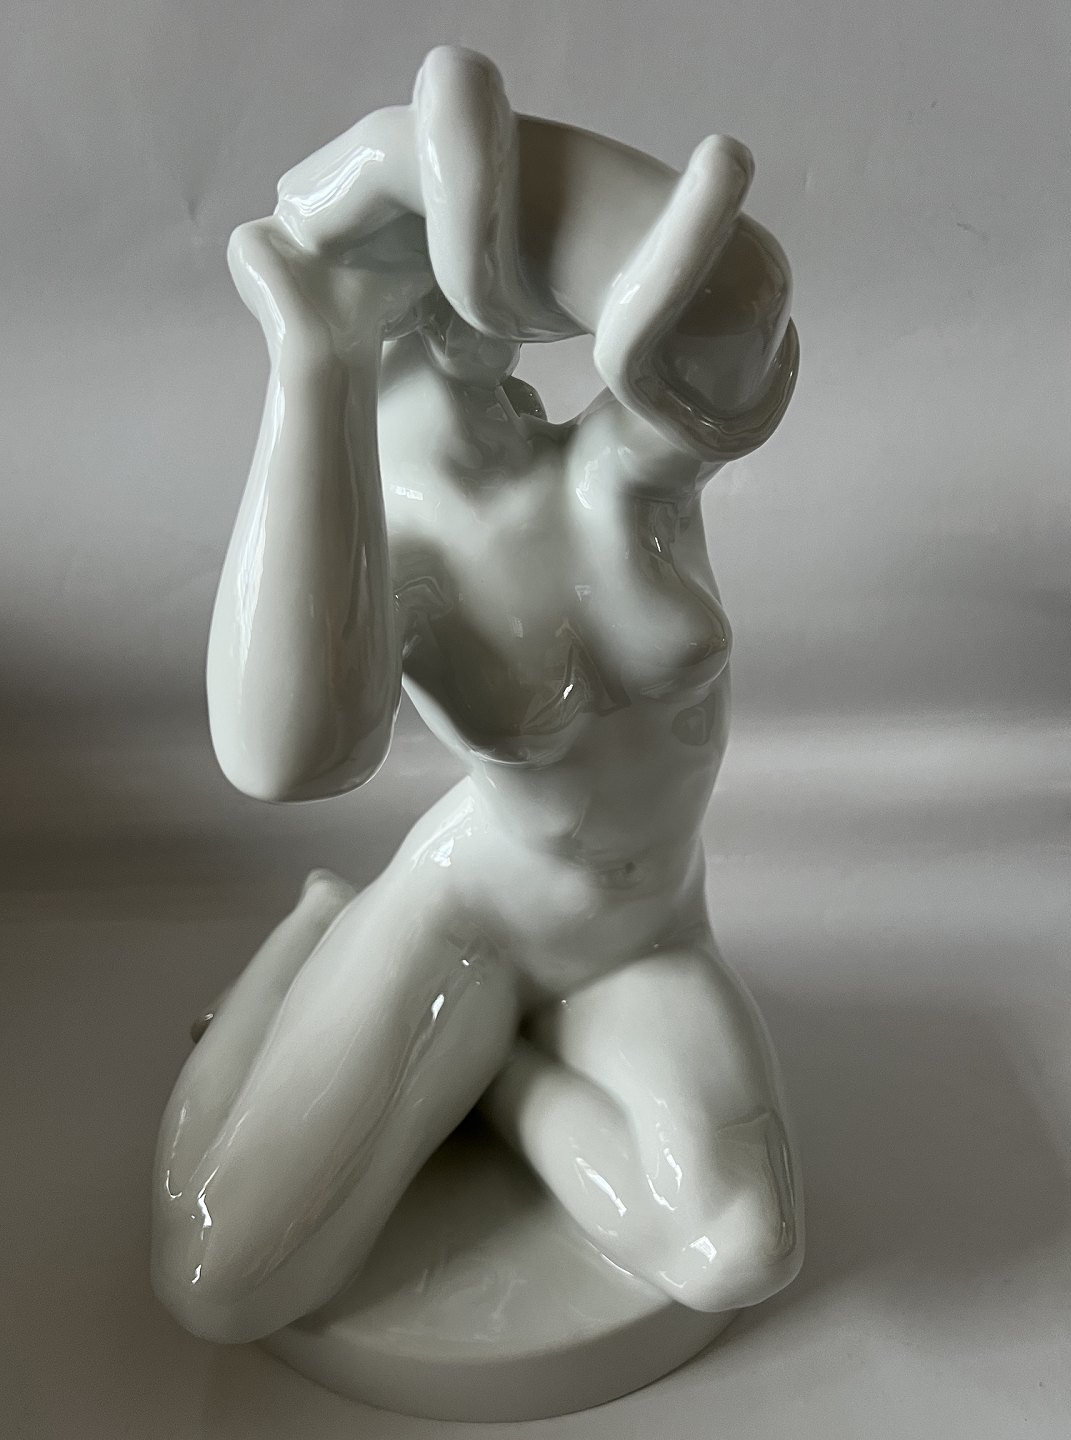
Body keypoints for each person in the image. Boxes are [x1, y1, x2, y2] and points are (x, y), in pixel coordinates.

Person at [152, 47, 803, 1346]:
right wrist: (313, 360)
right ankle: (310, 943)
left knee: (741, 1247)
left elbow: (738, 306)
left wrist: (448, 172)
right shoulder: (393, 562)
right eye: (398, 322)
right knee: (217, 1278)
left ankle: (499, 1076)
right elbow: (283, 757)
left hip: (644, 934)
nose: (451, 340)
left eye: (445, 305)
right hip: (470, 918)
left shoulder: (617, 472)